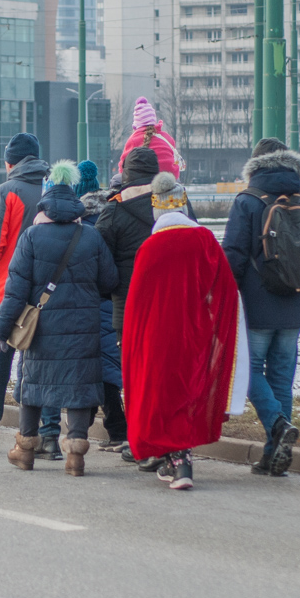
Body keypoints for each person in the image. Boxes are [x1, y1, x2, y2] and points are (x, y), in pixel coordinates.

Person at [123, 174, 248, 490]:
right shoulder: (204, 240)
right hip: (194, 335)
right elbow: (226, 291)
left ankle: (176, 461)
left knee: (162, 397)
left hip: (156, 339)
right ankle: (181, 460)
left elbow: (136, 307)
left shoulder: (149, 249)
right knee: (186, 394)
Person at [0, 161, 117, 476]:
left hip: (41, 326)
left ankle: (25, 450)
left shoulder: (32, 236)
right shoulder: (89, 236)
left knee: (34, 385)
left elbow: (16, 290)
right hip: (82, 328)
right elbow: (110, 281)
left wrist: (2, 329)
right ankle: (75, 454)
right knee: (78, 386)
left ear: (45, 200)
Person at [223, 138, 300, 476]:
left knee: (248, 372)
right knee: (282, 378)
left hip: (256, 305)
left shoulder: (247, 201)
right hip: (296, 305)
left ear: (255, 166)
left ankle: (276, 425)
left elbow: (234, 256)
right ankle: (274, 456)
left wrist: (226, 301)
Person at [0, 133, 60, 455]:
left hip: (5, 292)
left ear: (9, 162)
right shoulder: (52, 190)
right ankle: (49, 436)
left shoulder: (7, 192)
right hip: (47, 294)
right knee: (43, 364)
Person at [96, 147, 165, 467]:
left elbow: (100, 262)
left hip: (129, 307)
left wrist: (110, 292)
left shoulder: (113, 209)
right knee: (164, 373)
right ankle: (166, 437)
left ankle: (140, 439)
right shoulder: (175, 202)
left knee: (135, 376)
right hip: (169, 302)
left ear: (126, 173)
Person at [80, 185, 127, 452]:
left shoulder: (81, 231)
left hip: (86, 307)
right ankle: (117, 430)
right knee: (109, 372)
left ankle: (80, 431)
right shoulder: (113, 224)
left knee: (90, 373)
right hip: (112, 305)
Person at [117, 97, 182, 178]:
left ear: (136, 124)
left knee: (117, 180)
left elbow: (122, 167)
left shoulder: (134, 140)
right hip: (170, 179)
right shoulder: (167, 138)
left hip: (146, 181)